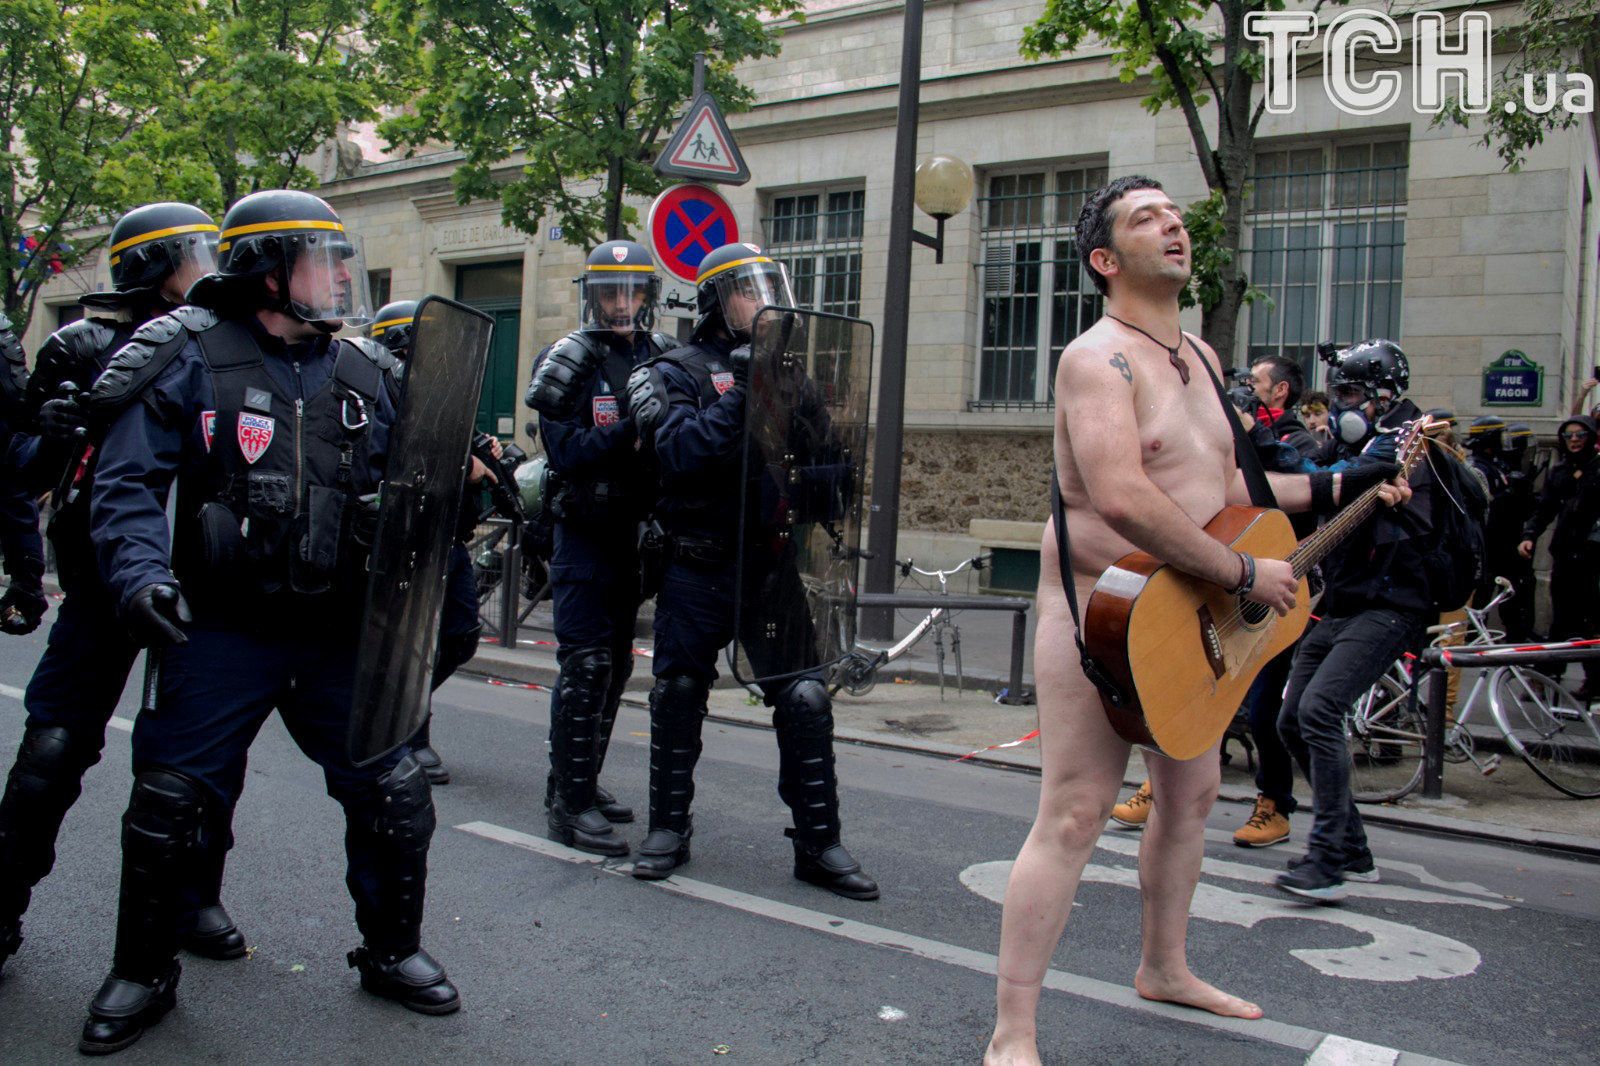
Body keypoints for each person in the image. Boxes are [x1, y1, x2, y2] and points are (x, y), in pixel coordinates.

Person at [983, 177, 1402, 1064]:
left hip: (1189, 610)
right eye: (1147, 218)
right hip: (1099, 609)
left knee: (1193, 796)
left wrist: (1350, 484)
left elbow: (1239, 487)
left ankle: (1164, 967)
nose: (1172, 224)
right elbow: (1122, 496)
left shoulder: (1203, 357)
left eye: (1173, 214)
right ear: (1105, 259)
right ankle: (1012, 1031)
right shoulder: (1097, 359)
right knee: (1075, 813)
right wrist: (1245, 571)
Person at [81, 190, 457, 1054]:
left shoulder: (367, 371)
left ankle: (392, 951)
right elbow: (128, 484)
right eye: (320, 261)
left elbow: (416, 489)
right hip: (223, 626)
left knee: (394, 791)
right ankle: (142, 970)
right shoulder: (190, 355)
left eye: (339, 260)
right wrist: (140, 577)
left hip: (336, 631)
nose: (338, 278)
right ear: (267, 271)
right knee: (171, 801)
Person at [0, 205, 252, 980]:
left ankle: (192, 896)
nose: (207, 265)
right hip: (105, 580)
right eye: (192, 253)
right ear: (152, 266)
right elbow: (21, 467)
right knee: (54, 744)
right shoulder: (83, 344)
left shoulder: (230, 344)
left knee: (206, 758)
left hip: (205, 587)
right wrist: (52, 432)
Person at [623, 242, 878, 899]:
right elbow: (680, 453)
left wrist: (827, 474)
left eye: (767, 286)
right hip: (697, 562)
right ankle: (667, 830)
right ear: (715, 300)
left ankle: (819, 843)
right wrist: (743, 392)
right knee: (679, 693)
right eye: (746, 289)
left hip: (769, 565)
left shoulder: (790, 376)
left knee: (805, 696)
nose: (762, 300)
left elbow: (829, 466)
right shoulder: (670, 372)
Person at [1110, 351, 1323, 848]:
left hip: (1273, 589)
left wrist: (1254, 433)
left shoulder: (1295, 437)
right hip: (1228, 583)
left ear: (1279, 391)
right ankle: (1159, 786)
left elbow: (1299, 481)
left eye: (1256, 382)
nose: (1245, 389)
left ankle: (1274, 803)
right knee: (1196, 692)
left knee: (1267, 707)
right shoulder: (1223, 432)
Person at [1275, 339, 1448, 905]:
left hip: (1392, 605)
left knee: (1321, 710)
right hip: (1344, 601)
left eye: (1350, 394)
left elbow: (1412, 525)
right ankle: (1353, 850)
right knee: (1290, 720)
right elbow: (1311, 475)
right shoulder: (1359, 442)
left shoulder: (1410, 445)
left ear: (1383, 395)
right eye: (1340, 394)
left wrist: (1386, 505)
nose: (1341, 406)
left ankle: (1326, 860)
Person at [526, 240, 677, 856]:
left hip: (635, 537)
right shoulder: (568, 359)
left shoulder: (661, 354)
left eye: (632, 291)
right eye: (610, 291)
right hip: (584, 534)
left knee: (614, 668)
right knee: (585, 665)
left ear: (647, 296)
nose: (621, 303)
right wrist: (629, 436)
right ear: (592, 296)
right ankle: (568, 805)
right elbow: (567, 453)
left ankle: (578, 778)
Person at [364, 298, 479, 784]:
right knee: (408, 640)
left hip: (445, 537)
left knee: (460, 634)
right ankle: (408, 734)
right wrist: (461, 464)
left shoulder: (441, 394)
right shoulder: (377, 395)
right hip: (403, 539)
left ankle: (403, 713)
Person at [1519, 415, 1600, 701]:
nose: (1574, 440)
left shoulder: (1597, 470)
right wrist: (1530, 535)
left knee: (1590, 620)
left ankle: (1593, 681)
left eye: (1580, 435)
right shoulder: (1561, 472)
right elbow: (1545, 508)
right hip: (1566, 554)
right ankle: (1548, 677)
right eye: (1569, 436)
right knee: (1561, 618)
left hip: (1593, 557)